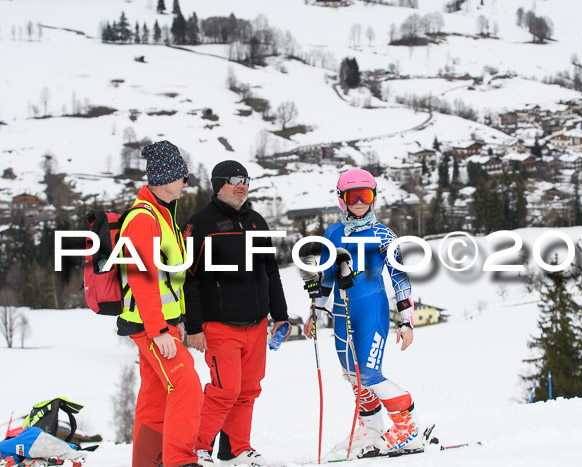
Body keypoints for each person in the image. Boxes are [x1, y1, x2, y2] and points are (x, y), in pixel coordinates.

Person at [302, 169, 421, 459]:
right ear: (342, 199)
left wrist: (406, 320)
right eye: (352, 196)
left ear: (374, 198)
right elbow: (327, 276)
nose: (358, 202)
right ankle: (371, 428)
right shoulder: (333, 233)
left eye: (365, 196)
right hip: (342, 313)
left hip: (372, 311)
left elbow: (400, 279)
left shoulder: (383, 235)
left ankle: (407, 428)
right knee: (351, 374)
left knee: (369, 374)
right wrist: (315, 312)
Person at [184, 160, 289, 466]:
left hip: (256, 324)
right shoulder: (199, 225)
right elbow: (189, 279)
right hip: (219, 324)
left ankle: (236, 450)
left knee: (247, 390)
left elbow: (270, 270)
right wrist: (193, 327)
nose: (242, 185)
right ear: (218, 184)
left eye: (246, 180)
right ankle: (197, 449)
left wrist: (280, 315)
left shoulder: (257, 221)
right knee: (224, 391)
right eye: (235, 180)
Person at [117, 140, 204, 467]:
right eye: (182, 176)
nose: (186, 182)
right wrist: (157, 330)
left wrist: (177, 319)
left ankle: (146, 462)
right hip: (150, 326)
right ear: (164, 177)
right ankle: (180, 461)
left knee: (155, 398)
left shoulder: (164, 216)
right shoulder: (143, 218)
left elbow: (170, 278)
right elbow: (142, 278)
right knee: (187, 386)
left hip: (164, 324)